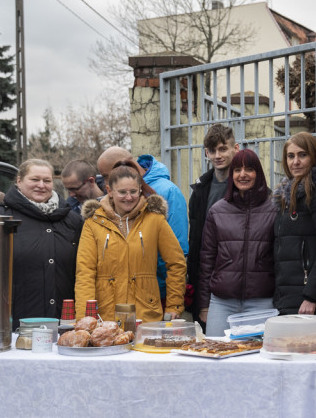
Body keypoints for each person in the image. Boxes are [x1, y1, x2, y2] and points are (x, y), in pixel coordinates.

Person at [75, 160, 186, 321]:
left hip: (145, 314)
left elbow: (176, 263)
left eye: (133, 191)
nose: (129, 197)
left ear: (140, 189)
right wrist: (85, 316)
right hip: (105, 317)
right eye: (122, 192)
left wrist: (174, 304)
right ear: (109, 191)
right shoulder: (93, 222)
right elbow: (85, 272)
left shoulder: (154, 219)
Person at [0, 159, 83, 330]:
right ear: (19, 181)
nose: (41, 185)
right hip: (16, 325)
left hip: (65, 324)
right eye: (34, 179)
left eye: (47, 181)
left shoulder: (72, 221)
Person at [198, 148, 277, 336]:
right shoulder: (217, 211)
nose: (243, 175)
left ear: (258, 174)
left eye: (249, 169)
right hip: (221, 302)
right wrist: (203, 305)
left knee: (256, 361)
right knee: (216, 357)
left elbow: (281, 259)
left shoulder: (274, 209)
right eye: (237, 170)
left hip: (261, 301)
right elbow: (206, 261)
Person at [97, 146, 189, 301]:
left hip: (155, 293)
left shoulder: (167, 191)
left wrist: (157, 290)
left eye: (107, 176)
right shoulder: (115, 194)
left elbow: (177, 250)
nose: (106, 183)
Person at [272, 132, 316, 317]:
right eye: (290, 156)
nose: (295, 162)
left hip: (308, 301)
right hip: (288, 297)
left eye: (302, 155)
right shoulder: (288, 196)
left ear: (314, 156)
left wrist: (312, 296)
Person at [187, 124, 238, 321]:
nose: (217, 155)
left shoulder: (247, 186)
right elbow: (196, 246)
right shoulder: (200, 192)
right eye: (212, 150)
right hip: (208, 283)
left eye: (223, 148)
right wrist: (200, 300)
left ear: (236, 149)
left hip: (239, 282)